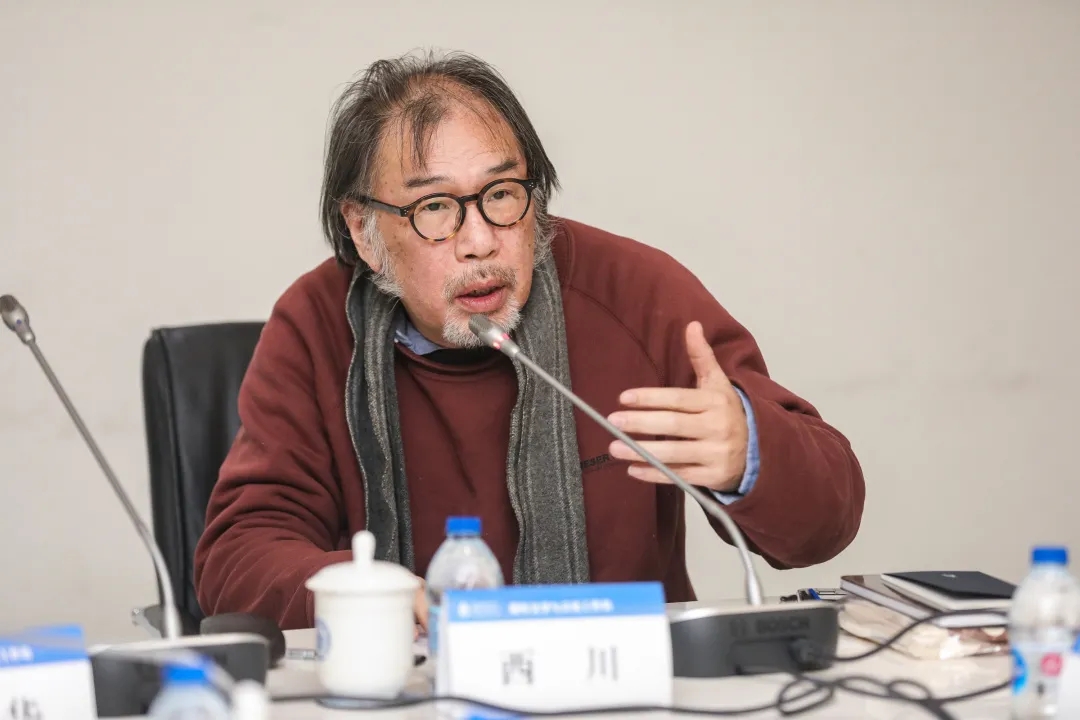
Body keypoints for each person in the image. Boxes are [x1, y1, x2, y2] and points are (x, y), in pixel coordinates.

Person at [192, 50, 865, 631]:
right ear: (363, 230)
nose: (480, 240)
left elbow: (825, 524)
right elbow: (236, 558)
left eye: (502, 193)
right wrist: (360, 593)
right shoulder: (315, 323)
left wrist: (750, 455)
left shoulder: (634, 293)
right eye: (434, 207)